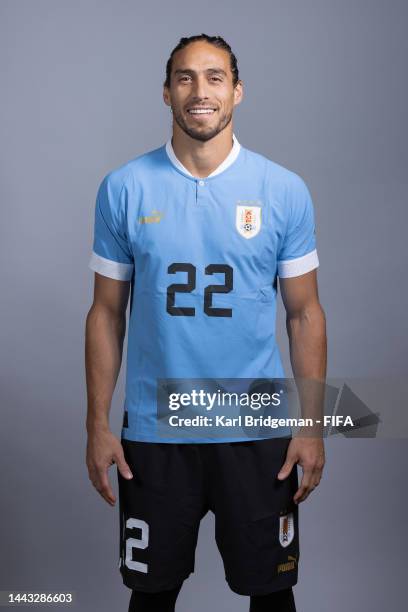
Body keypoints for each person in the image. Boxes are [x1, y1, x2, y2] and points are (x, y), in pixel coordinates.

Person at [85, 33, 327, 612]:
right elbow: (106, 312)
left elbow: (304, 313)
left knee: (272, 594)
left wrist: (313, 425)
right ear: (166, 93)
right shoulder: (124, 187)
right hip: (155, 431)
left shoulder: (283, 190)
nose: (200, 91)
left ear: (237, 92)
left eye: (215, 77)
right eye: (185, 78)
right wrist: (97, 424)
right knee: (152, 597)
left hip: (256, 431)